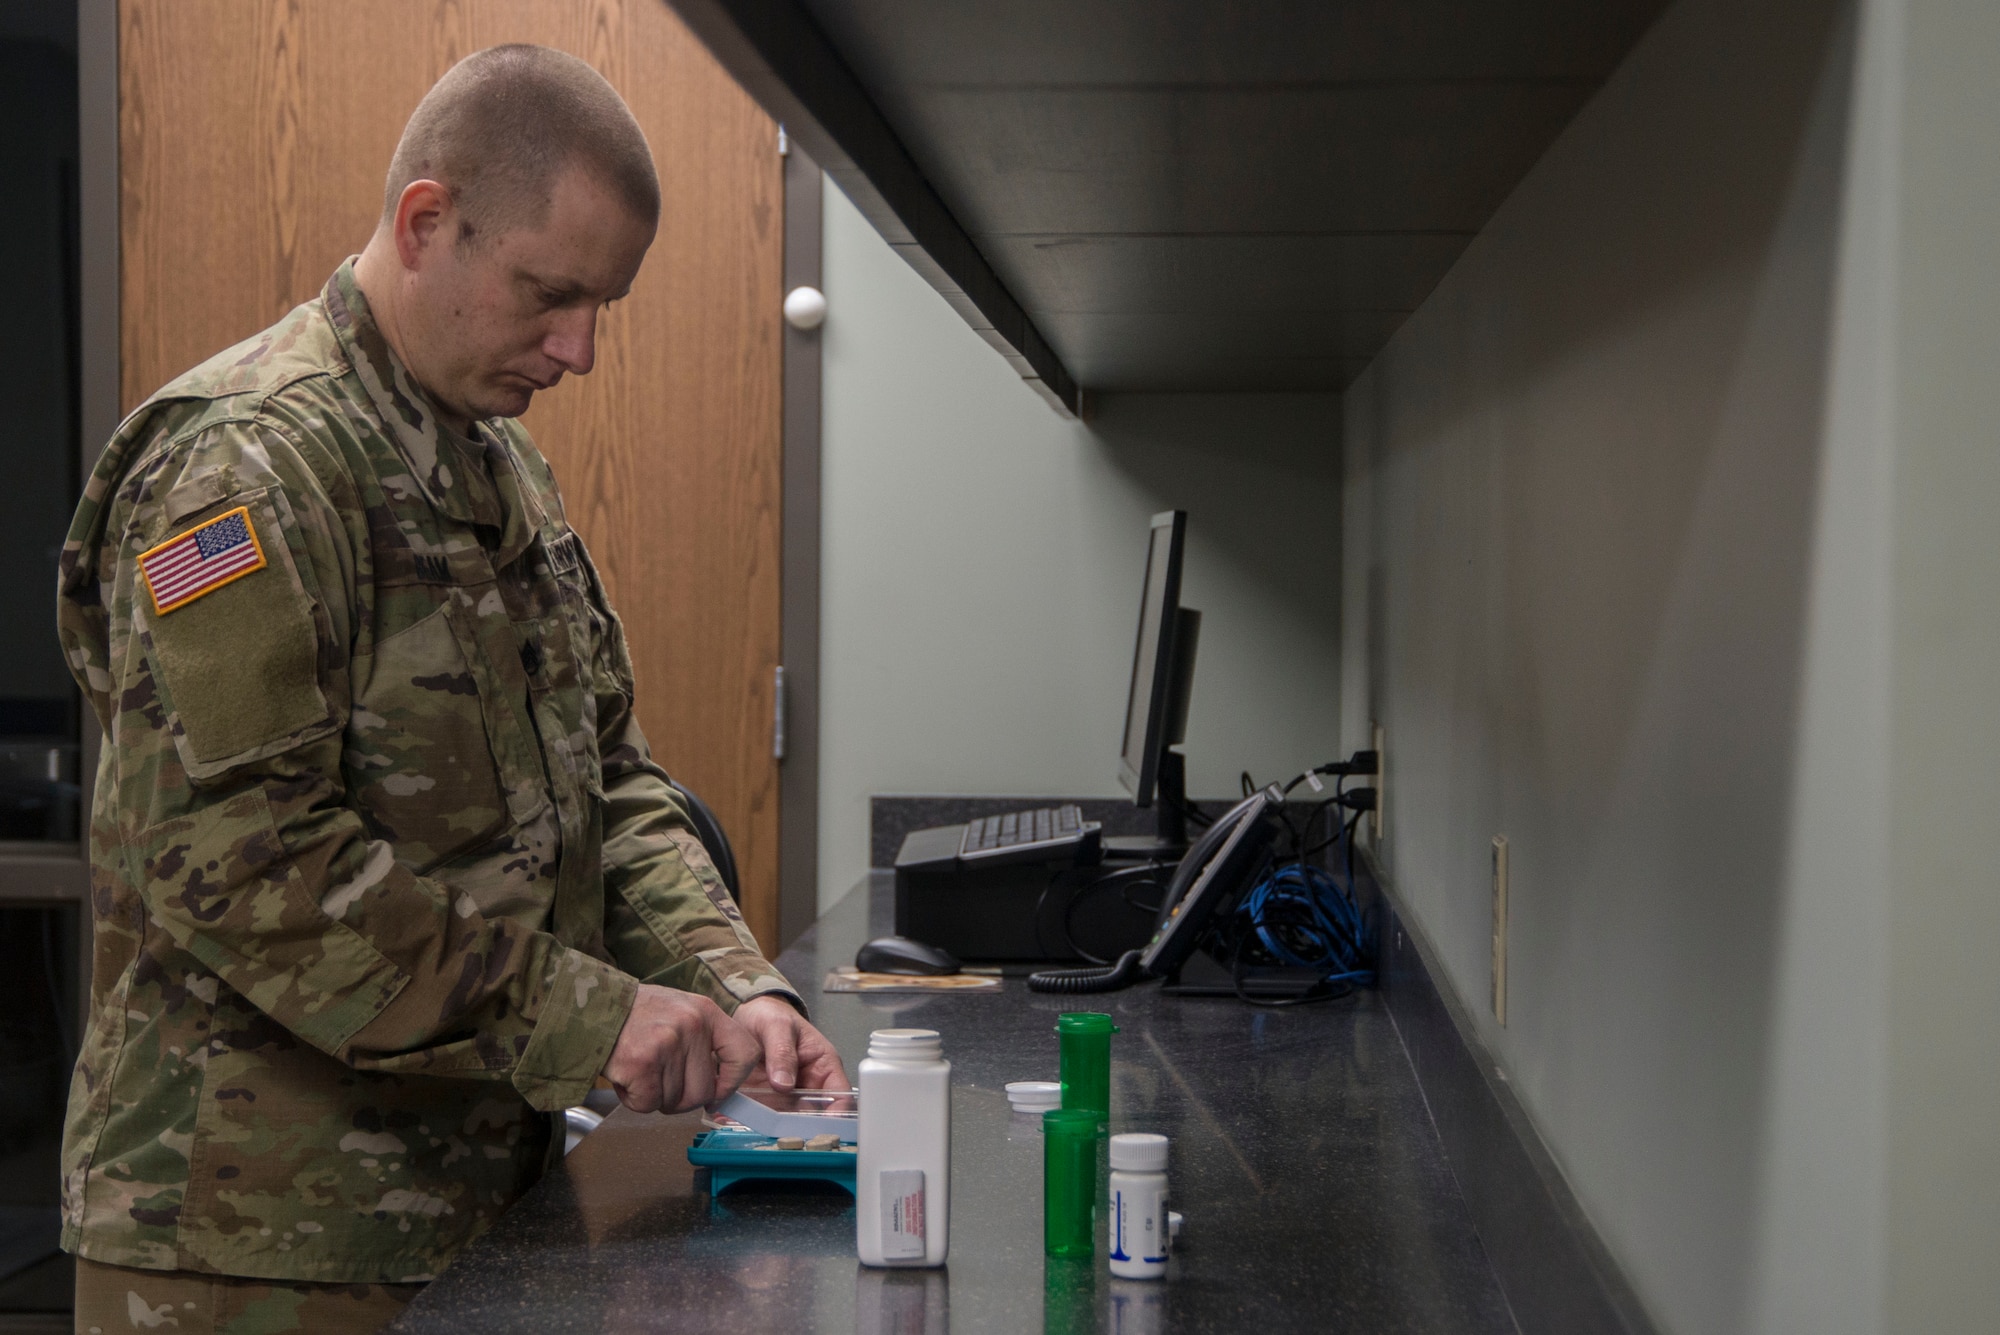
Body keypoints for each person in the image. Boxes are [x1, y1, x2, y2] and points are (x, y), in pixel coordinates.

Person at [55, 44, 845, 1333]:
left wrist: (733, 983)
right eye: (550, 294)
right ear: (427, 224)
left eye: (602, 305)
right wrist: (591, 1018)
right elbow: (248, 866)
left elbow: (615, 786)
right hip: (252, 1250)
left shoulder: (494, 470)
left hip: (470, 1212)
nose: (579, 350)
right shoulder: (246, 467)